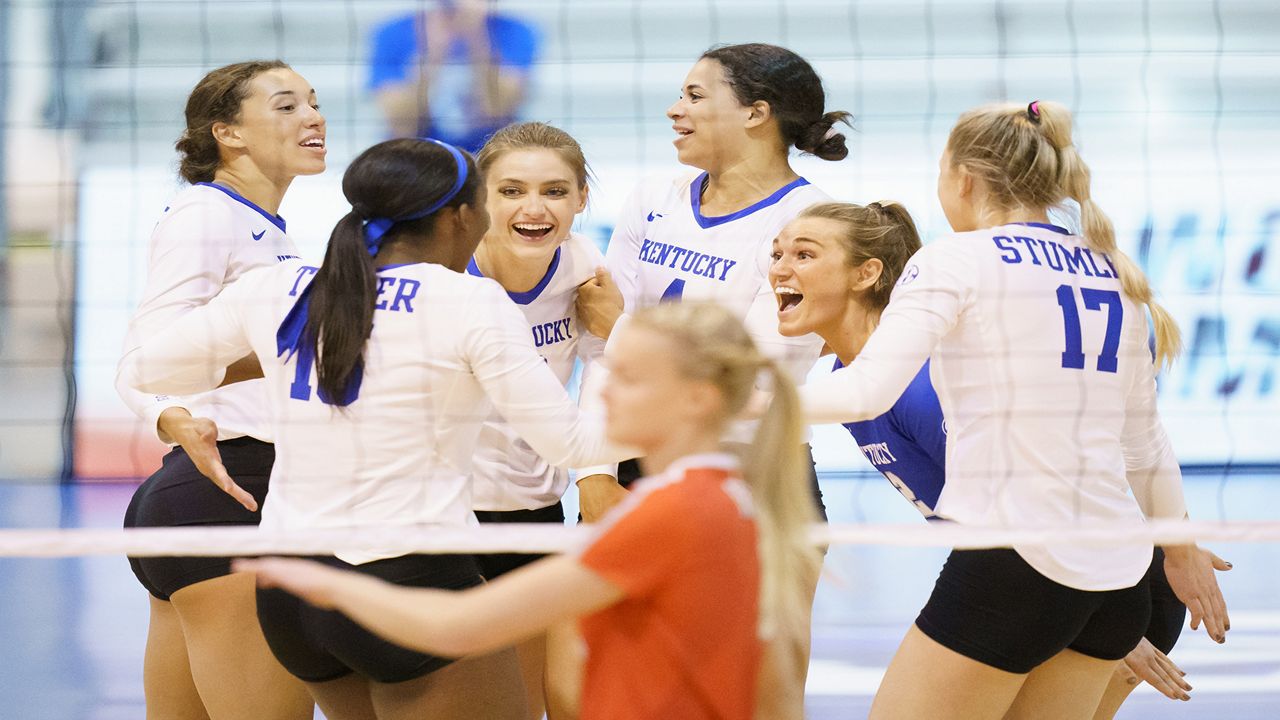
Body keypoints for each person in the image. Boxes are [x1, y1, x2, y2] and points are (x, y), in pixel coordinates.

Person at [120, 137, 634, 719]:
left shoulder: (282, 287)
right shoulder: (469, 300)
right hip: (407, 576)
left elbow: (144, 366)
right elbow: (571, 444)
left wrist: (256, 367)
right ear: (461, 217)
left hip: (294, 593)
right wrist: (636, 357)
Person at [791, 100, 1231, 720]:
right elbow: (1146, 444)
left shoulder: (955, 259)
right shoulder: (1115, 272)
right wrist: (1179, 552)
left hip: (1019, 563)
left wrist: (729, 403)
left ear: (963, 178)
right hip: (1120, 574)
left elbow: (866, 391)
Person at [235, 300, 823, 720]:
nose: (604, 390)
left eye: (630, 378)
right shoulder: (737, 500)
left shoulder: (671, 515)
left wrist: (328, 583)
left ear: (699, 398)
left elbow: (461, 625)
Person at [115, 59, 322, 720]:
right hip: (230, 492)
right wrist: (172, 415)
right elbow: (145, 356)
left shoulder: (267, 230)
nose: (313, 117)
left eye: (313, 103)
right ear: (228, 133)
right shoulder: (208, 216)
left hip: (204, 496)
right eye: (286, 106)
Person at [574, 42, 848, 523]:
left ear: (755, 113)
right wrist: (594, 473)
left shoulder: (812, 221)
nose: (674, 109)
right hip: (638, 459)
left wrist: (621, 330)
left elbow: (753, 378)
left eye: (695, 96)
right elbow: (598, 345)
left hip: (755, 472)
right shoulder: (654, 197)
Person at [467, 121, 608, 719]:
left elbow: (605, 365)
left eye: (554, 190)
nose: (534, 208)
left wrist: (594, 473)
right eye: (511, 190)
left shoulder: (582, 264)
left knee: (533, 703)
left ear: (580, 199)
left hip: (533, 506)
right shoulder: (446, 271)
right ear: (479, 199)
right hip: (445, 511)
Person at [367, 0, 538, 151]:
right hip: (419, 155)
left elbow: (499, 109)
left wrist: (478, 39)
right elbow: (401, 122)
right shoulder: (393, 32)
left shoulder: (516, 31)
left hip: (487, 154)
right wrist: (433, 54)